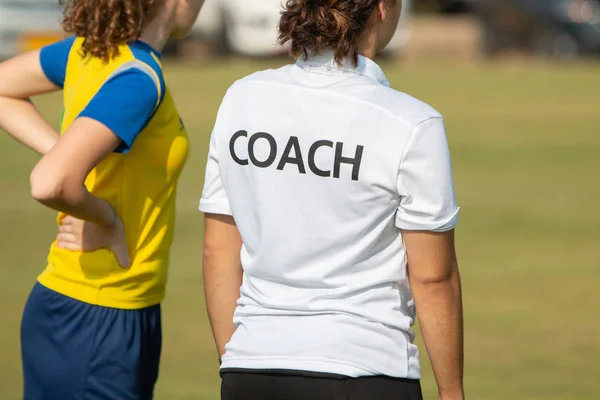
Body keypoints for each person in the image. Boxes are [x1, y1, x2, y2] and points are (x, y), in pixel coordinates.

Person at [199, 0, 465, 399]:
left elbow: (217, 249)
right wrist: (452, 391)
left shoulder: (242, 98)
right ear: (380, 8)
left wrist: (234, 360)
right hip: (366, 369)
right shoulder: (411, 122)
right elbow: (432, 277)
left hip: (249, 369)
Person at [0, 0, 205, 398]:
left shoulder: (90, 51)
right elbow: (49, 182)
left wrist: (65, 152)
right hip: (96, 317)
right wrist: (105, 220)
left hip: (112, 309)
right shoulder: (139, 77)